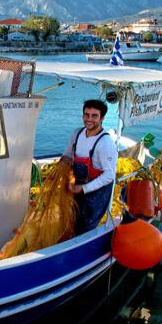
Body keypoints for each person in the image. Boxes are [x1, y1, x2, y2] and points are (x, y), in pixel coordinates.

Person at [63, 99, 118, 234]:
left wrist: (84, 188)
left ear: (102, 118)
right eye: (86, 115)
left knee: (86, 226)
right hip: (78, 187)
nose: (89, 119)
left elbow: (109, 175)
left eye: (94, 116)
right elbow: (67, 156)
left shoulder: (105, 143)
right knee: (73, 219)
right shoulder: (77, 133)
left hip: (96, 193)